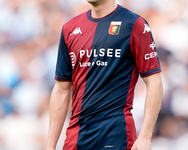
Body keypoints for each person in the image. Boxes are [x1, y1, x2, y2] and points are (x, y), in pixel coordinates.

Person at [46, 0, 163, 150]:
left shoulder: (134, 24)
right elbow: (61, 89)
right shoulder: (70, 28)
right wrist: (51, 145)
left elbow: (154, 82)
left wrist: (145, 136)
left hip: (116, 136)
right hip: (76, 139)